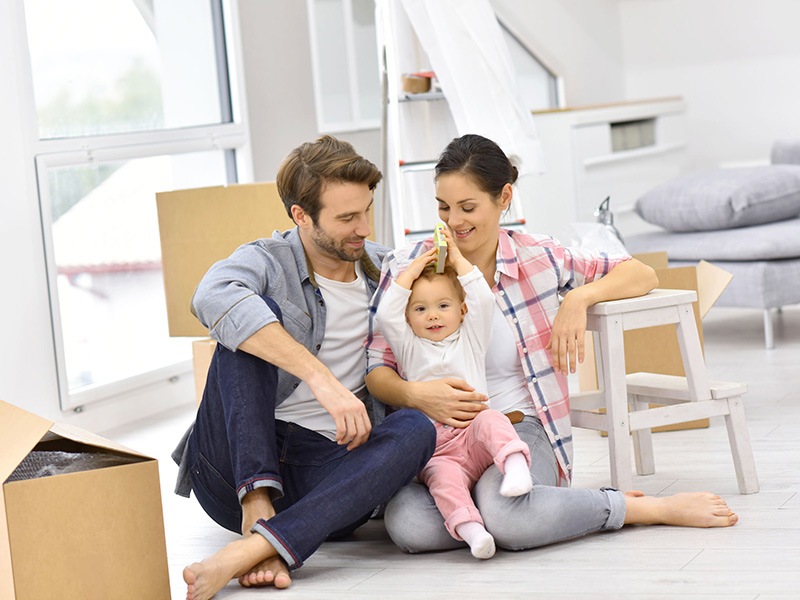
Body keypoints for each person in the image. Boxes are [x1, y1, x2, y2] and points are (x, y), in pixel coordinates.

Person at [366, 133, 738, 557]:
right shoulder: (407, 266)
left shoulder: (538, 258)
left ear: (504, 197)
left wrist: (579, 297)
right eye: (443, 207)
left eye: (468, 208)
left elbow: (641, 273)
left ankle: (638, 508)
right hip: (437, 438)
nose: (454, 221)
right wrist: (414, 393)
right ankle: (508, 513)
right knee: (410, 526)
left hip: (516, 427)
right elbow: (376, 366)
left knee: (506, 515)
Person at [172, 135, 436, 600]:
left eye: (367, 211)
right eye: (346, 218)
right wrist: (322, 378)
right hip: (233, 471)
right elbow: (210, 297)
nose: (363, 228)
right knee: (247, 322)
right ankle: (257, 502)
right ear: (301, 216)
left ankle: (252, 550)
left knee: (415, 428)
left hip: (328, 473)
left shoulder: (387, 270)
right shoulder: (265, 260)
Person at [373, 227, 533, 559]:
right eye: (420, 309)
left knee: (491, 419)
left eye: (443, 305)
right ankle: (473, 532)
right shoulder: (409, 347)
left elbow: (483, 298)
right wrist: (413, 270)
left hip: (474, 434)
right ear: (409, 317)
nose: (432, 315)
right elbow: (387, 312)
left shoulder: (472, 338)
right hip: (437, 448)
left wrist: (457, 259)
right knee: (443, 482)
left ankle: (515, 466)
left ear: (461, 311)